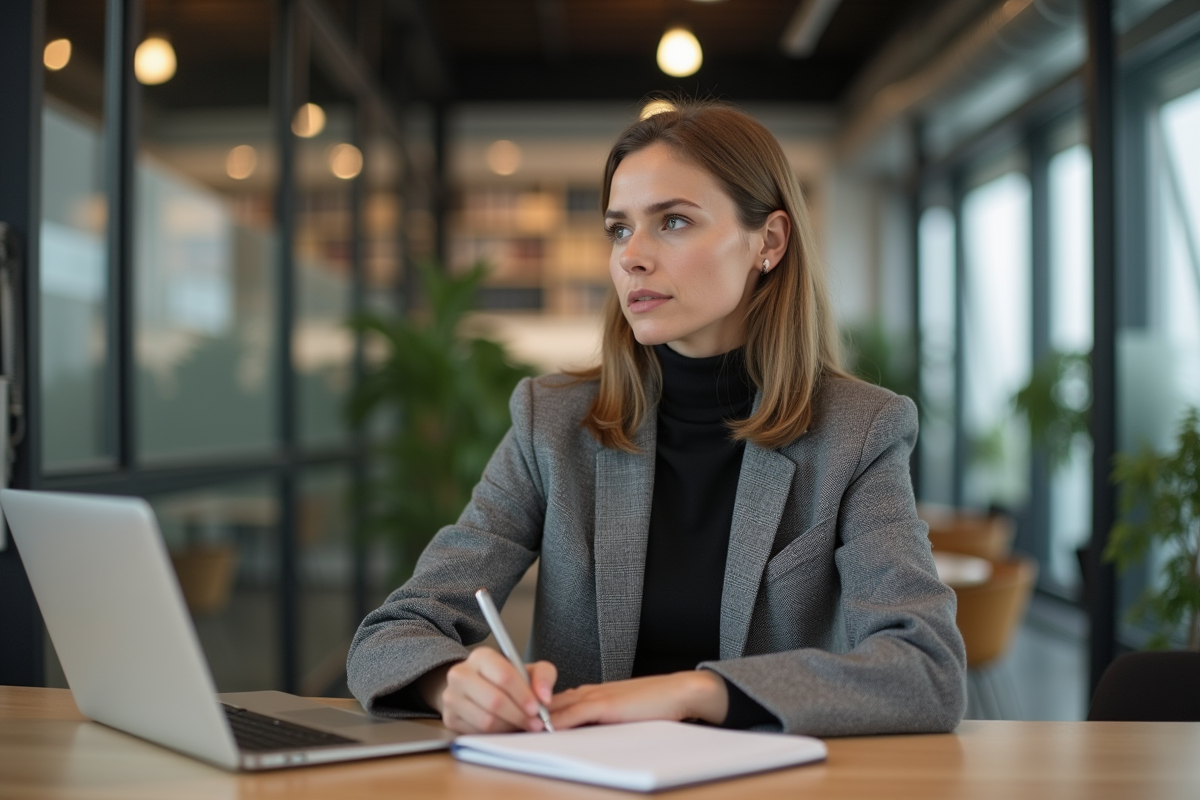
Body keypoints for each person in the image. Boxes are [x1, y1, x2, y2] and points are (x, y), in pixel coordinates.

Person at [346, 101, 967, 737]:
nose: (631, 257)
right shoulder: (551, 421)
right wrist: (451, 684)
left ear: (770, 242)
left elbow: (925, 669)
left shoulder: (858, 431)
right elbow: (392, 634)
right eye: (619, 229)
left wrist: (694, 692)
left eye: (672, 221)